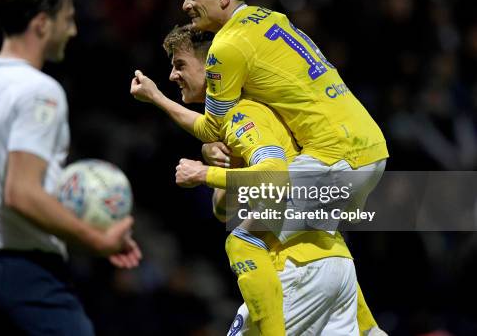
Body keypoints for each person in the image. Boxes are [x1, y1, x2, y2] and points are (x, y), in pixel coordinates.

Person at [131, 25, 384, 335]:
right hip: (332, 260)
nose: (172, 75)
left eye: (180, 64)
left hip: (295, 267)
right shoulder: (237, 118)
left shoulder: (243, 114)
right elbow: (225, 211)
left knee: (240, 242)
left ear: (211, 65)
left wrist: (203, 173)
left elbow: (274, 175)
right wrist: (223, 166)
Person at [0, 0, 141, 335]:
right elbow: (21, 193)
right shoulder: (39, 91)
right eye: (67, 18)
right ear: (41, 23)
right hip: (21, 273)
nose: (73, 29)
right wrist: (98, 239)